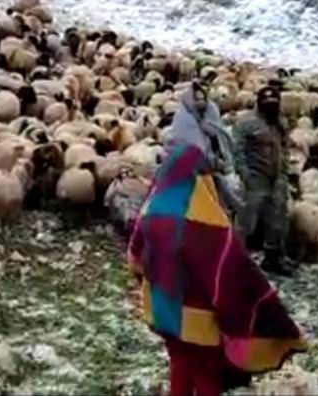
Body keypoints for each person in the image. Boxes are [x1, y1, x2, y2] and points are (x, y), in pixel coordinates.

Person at [128, 142, 307, 396]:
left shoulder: (151, 210)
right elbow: (229, 274)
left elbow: (134, 257)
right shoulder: (207, 225)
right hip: (198, 321)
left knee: (180, 363)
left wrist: (154, 283)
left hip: (163, 310)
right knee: (206, 374)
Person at [232, 85, 294, 276]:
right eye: (267, 102)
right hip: (255, 177)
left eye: (274, 102)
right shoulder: (246, 123)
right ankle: (235, 258)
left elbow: (284, 146)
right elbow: (237, 150)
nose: (271, 106)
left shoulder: (279, 122)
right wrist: (244, 174)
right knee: (247, 220)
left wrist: (284, 171)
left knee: (277, 218)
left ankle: (273, 257)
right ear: (259, 103)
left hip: (277, 177)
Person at [169, 82, 243, 216]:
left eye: (203, 99)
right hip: (189, 172)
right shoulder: (184, 121)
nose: (201, 102)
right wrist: (211, 161)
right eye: (197, 99)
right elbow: (190, 147)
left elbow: (221, 141)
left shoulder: (211, 115)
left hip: (212, 170)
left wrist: (221, 162)